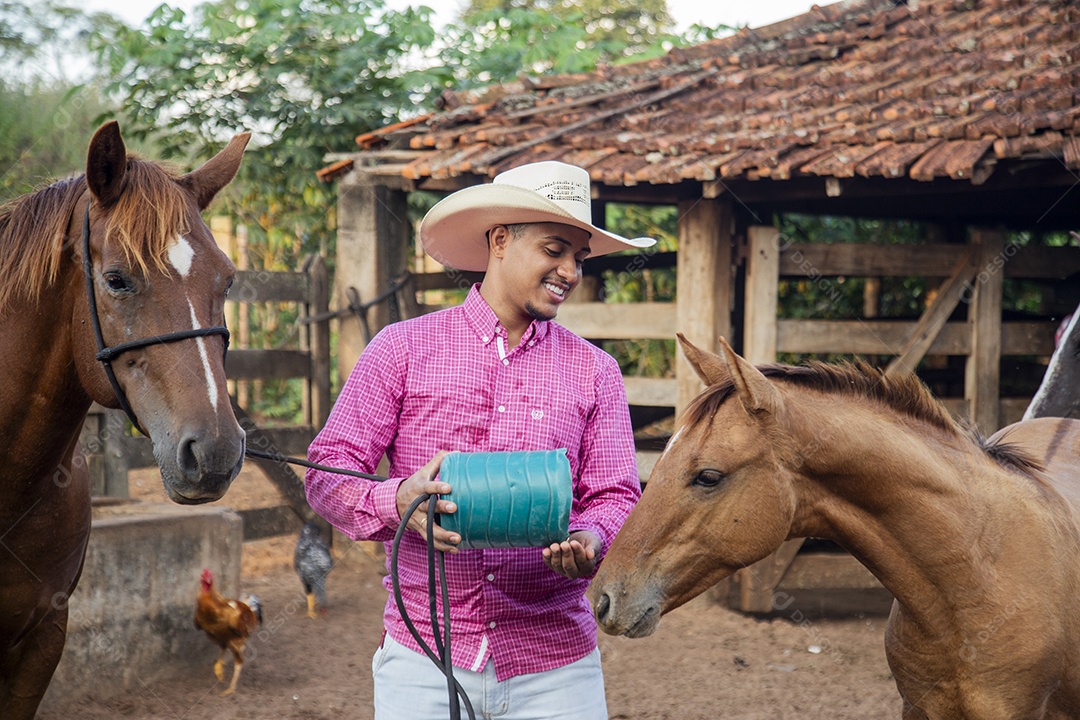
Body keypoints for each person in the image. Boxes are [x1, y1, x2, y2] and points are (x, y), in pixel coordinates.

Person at [305, 160, 655, 720]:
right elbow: (327, 471)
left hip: (557, 665)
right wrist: (396, 503)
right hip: (425, 658)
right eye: (554, 249)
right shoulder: (402, 349)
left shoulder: (595, 371)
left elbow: (615, 494)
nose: (570, 270)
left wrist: (590, 538)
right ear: (499, 241)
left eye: (579, 257)